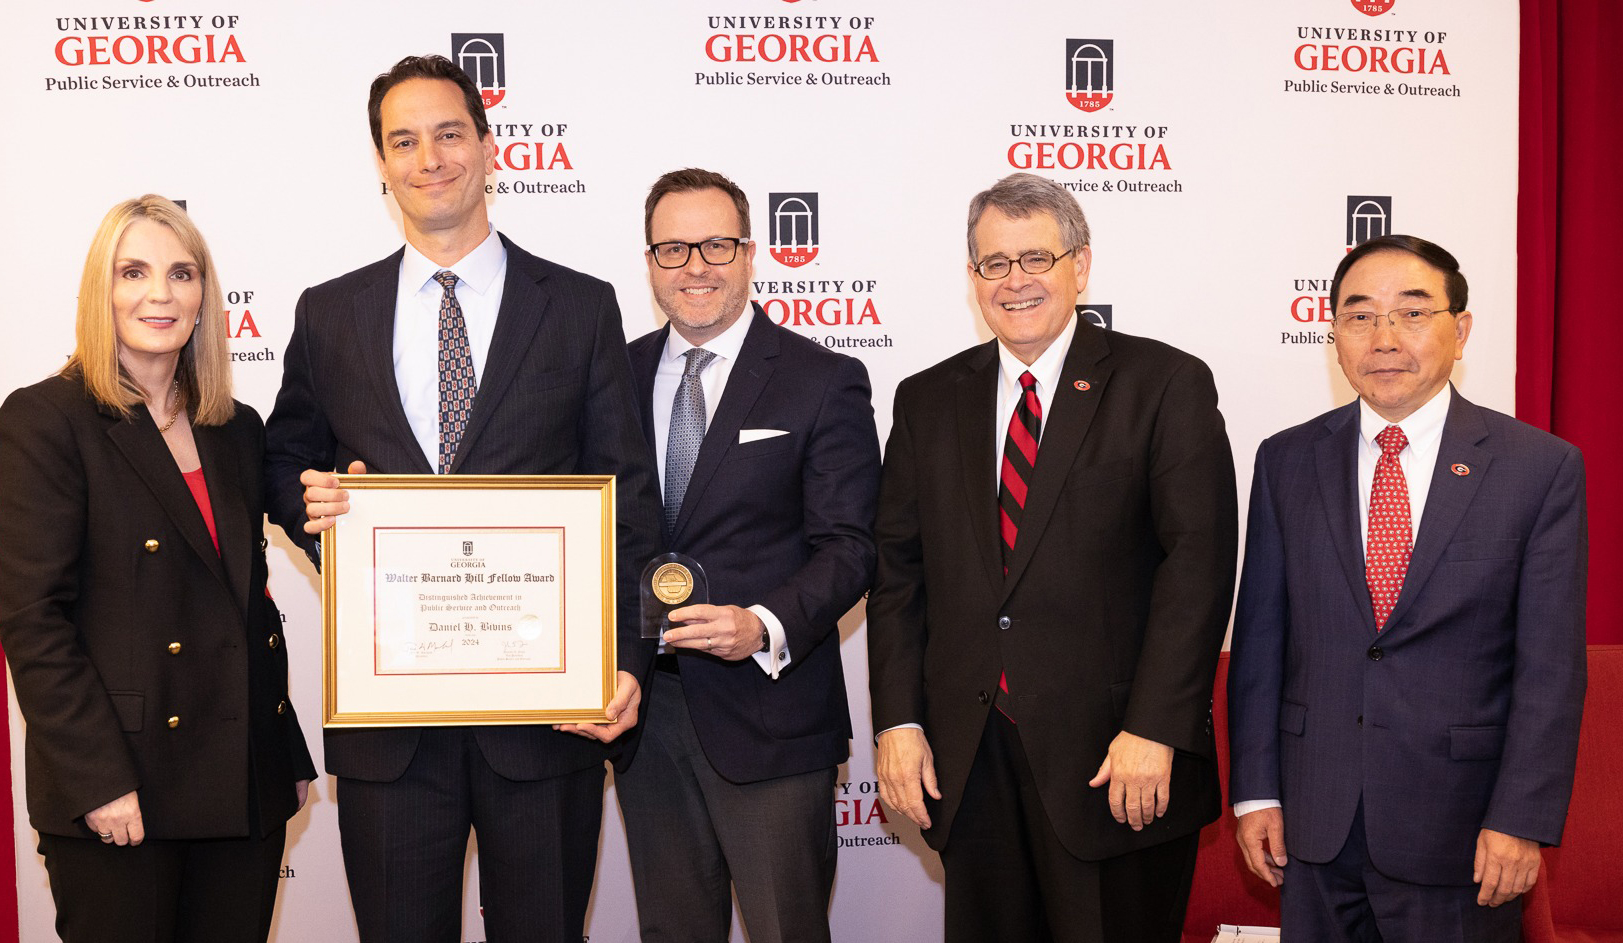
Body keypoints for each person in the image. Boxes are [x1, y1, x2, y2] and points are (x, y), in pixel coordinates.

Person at [261, 55, 657, 943]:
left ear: (487, 148)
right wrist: (310, 501)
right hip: (389, 728)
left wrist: (626, 658)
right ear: (380, 163)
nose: (429, 157)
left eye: (448, 133)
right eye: (404, 140)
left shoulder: (580, 307)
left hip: (548, 719)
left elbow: (627, 495)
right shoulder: (329, 313)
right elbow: (284, 456)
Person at [866, 172, 1238, 943]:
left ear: (1081, 264)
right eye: (994, 264)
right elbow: (897, 574)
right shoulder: (926, 398)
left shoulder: (1162, 382)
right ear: (972, 279)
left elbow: (1196, 565)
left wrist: (1155, 728)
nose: (1015, 281)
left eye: (1035, 256)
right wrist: (897, 721)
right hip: (971, 757)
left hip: (1115, 760)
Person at [1228, 234, 1587, 940]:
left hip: (1460, 829)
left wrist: (1519, 817)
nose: (1383, 337)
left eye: (1412, 313)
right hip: (1313, 821)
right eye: (1360, 316)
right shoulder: (1285, 459)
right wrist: (1255, 793)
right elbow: (1260, 645)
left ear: (1460, 331)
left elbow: (1548, 668)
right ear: (1332, 334)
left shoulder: (1537, 468)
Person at [0, 195, 315, 943]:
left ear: (205, 296)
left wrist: (282, 747)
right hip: (121, 785)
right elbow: (33, 620)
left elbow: (247, 606)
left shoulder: (235, 427)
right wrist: (98, 779)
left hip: (242, 782)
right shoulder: (48, 418)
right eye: (133, 271)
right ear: (100, 291)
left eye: (181, 273)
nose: (159, 294)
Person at [614, 168, 881, 943]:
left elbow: (850, 547)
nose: (694, 265)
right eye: (672, 247)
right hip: (645, 716)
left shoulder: (821, 379)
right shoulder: (611, 376)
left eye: (715, 244)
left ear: (749, 251)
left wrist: (760, 624)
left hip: (770, 713)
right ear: (649, 259)